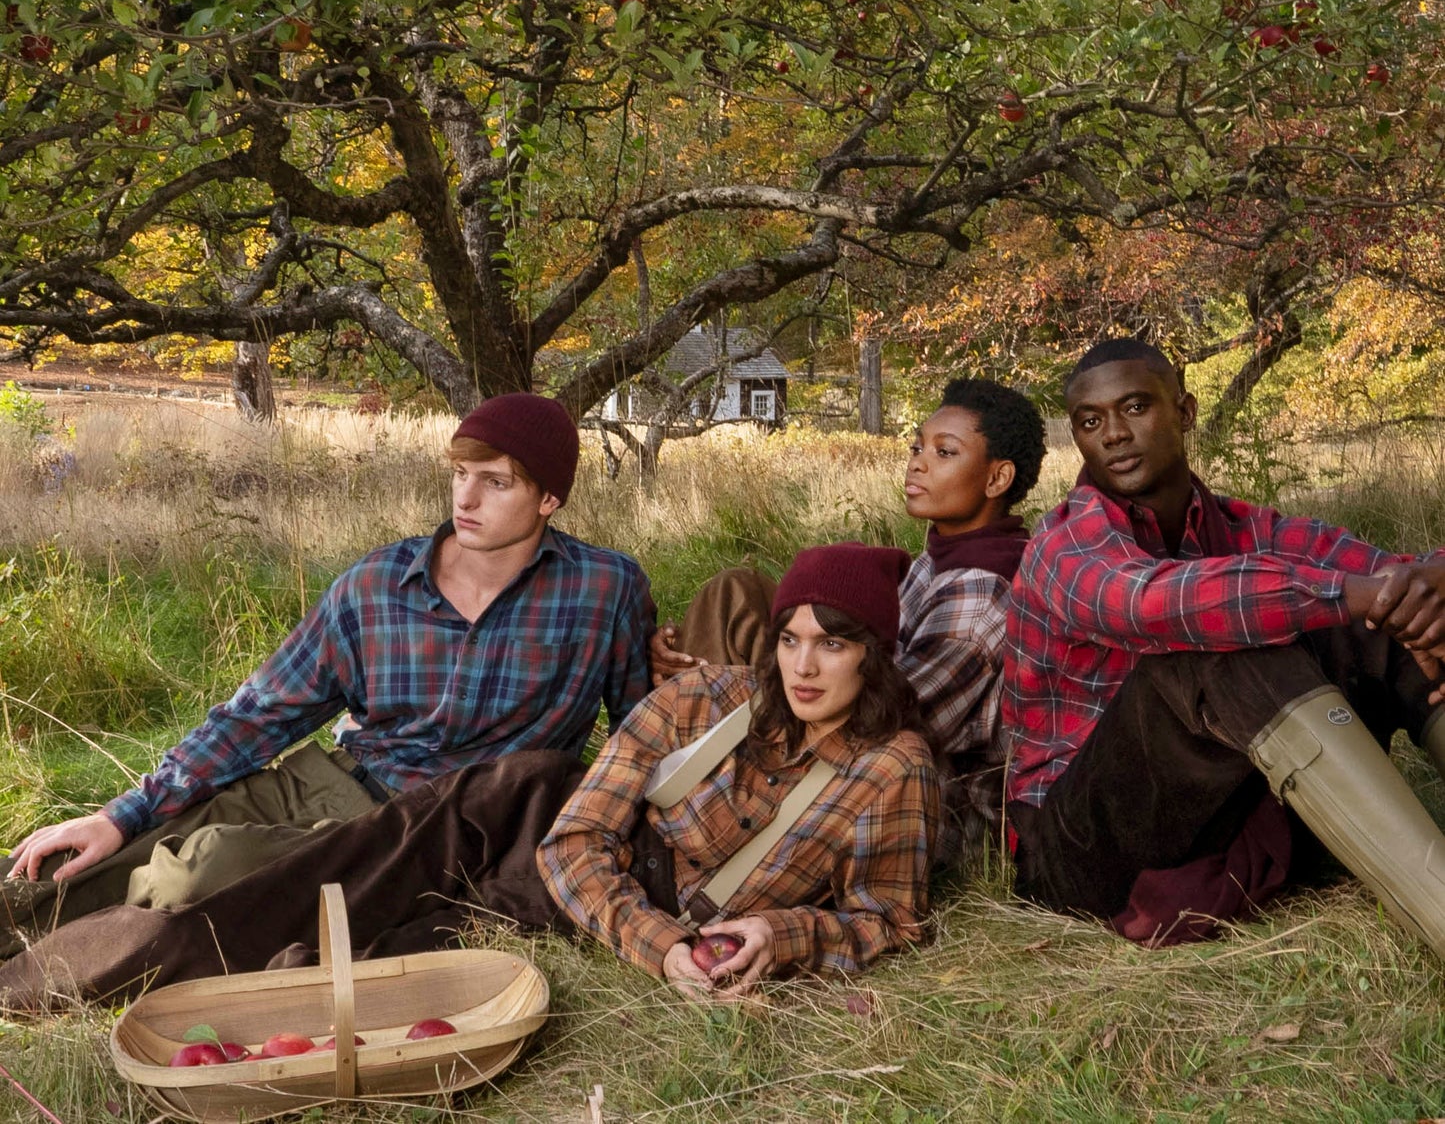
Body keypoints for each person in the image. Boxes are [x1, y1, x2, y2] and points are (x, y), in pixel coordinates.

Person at [0, 543, 938, 1012]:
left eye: (834, 643)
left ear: (876, 656)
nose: (804, 666)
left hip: (604, 891)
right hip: (535, 811)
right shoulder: (713, 698)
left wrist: (781, 932)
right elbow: (577, 834)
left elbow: (888, 915)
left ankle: (144, 971)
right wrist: (660, 947)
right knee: (318, 881)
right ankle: (29, 980)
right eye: (789, 639)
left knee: (362, 954)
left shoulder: (892, 771)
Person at [0, 393, 653, 955]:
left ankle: (73, 958)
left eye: (496, 481)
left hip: (433, 830)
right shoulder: (375, 585)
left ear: (549, 497)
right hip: (326, 781)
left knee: (194, 876)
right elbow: (259, 715)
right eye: (459, 473)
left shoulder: (604, 590)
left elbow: (640, 728)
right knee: (63, 866)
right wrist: (122, 814)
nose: (466, 496)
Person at [1003, 337, 1445, 951]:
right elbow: (1150, 603)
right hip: (1076, 846)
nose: (1113, 434)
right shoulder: (1063, 544)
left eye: (1135, 407)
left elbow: (1388, 578)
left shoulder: (1243, 527)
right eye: (1089, 421)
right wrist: (1363, 593)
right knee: (1221, 643)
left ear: (1184, 412)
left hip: (1216, 810)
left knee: (1380, 623)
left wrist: (1426, 585)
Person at [651, 376, 1045, 865]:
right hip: (850, 735)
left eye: (945, 453)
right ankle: (689, 776)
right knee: (736, 592)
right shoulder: (937, 558)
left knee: (719, 676)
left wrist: (708, 684)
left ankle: (691, 801)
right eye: (917, 445)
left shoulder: (986, 589)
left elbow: (886, 721)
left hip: (921, 799)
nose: (917, 462)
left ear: (996, 479)